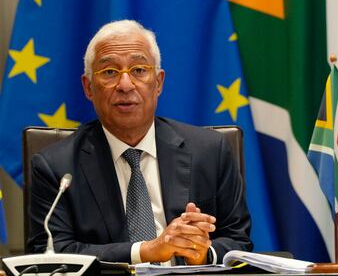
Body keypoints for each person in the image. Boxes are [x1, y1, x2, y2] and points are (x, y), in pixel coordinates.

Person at [27, 20, 252, 264]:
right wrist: (145, 251)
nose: (125, 85)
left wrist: (202, 252)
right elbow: (48, 252)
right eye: (109, 72)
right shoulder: (56, 167)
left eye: (139, 70)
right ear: (88, 87)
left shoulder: (210, 151)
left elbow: (238, 240)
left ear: (158, 83)